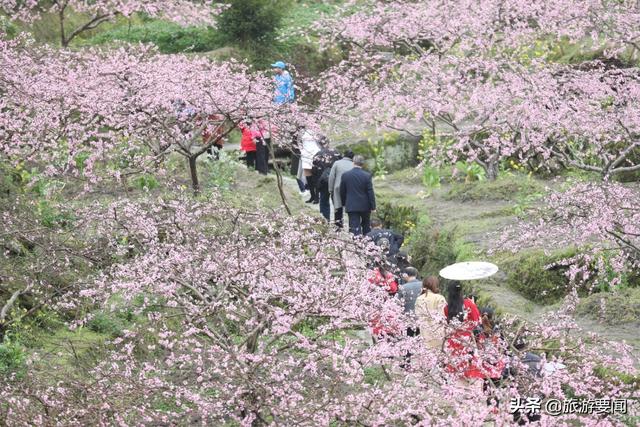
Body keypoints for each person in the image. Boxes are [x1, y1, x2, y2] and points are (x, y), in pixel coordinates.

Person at [443, 281, 483, 381]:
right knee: (466, 358)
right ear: (460, 291)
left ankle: (452, 375)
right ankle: (465, 377)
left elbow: (446, 323)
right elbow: (477, 321)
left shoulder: (447, 307)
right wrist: (473, 305)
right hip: (466, 338)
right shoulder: (468, 303)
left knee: (453, 358)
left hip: (453, 337)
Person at [339, 155, 376, 235]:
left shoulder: (345, 175)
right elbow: (370, 192)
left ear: (353, 163)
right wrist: (373, 207)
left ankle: (356, 244)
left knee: (354, 227)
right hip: (365, 205)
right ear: (362, 164)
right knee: (366, 225)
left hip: (351, 205)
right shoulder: (367, 176)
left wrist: (344, 203)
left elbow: (342, 191)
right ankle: (367, 243)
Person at [312, 137, 341, 222]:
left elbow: (314, 171)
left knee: (324, 201)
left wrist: (316, 184)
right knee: (337, 202)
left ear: (319, 144)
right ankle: (339, 224)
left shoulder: (318, 155)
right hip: (335, 181)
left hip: (323, 181)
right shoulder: (336, 153)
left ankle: (325, 221)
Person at [415, 276, 447, 350]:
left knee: (427, 353)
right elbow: (443, 314)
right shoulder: (439, 298)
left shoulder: (419, 298)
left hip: (424, 329)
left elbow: (417, 314)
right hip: (438, 328)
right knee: (439, 352)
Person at [328, 149, 354, 229]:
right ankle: (352, 227)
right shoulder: (354, 164)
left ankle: (338, 226)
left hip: (337, 188)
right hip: (350, 189)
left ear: (343, 155)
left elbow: (331, 177)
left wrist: (330, 189)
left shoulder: (337, 163)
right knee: (350, 209)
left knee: (338, 208)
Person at [300, 128, 321, 204]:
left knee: (315, 179)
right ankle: (312, 196)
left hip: (314, 155)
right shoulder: (302, 131)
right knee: (309, 179)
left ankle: (317, 197)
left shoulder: (315, 130)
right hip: (305, 156)